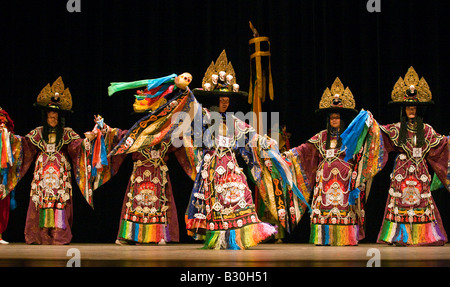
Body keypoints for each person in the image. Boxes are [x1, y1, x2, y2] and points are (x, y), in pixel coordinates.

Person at [108, 51, 307, 249]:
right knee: (218, 202)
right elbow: (189, 104)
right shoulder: (202, 117)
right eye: (221, 98)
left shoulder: (233, 121)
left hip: (230, 165)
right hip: (212, 166)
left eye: (228, 98)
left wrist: (265, 142)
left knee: (241, 196)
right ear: (213, 98)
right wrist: (184, 87)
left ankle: (242, 236)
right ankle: (220, 238)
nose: (225, 101)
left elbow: (250, 136)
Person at [341, 67, 449, 246]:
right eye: (408, 107)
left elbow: (442, 145)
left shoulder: (427, 130)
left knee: (421, 203)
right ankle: (399, 236)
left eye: (414, 107)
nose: (411, 110)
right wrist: (368, 121)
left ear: (419, 109)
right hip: (402, 171)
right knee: (400, 203)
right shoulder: (397, 129)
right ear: (404, 110)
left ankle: (424, 235)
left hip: (420, 171)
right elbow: (379, 133)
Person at [284, 78, 380, 246]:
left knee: (344, 210)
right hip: (325, 183)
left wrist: (370, 122)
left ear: (343, 119)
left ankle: (346, 237)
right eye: (332, 118)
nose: (334, 120)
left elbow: (368, 144)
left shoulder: (351, 137)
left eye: (337, 117)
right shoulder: (321, 136)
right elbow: (304, 150)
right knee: (324, 209)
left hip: (344, 183)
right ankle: (323, 237)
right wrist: (287, 155)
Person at [106, 73, 199, 245]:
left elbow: (182, 144)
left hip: (158, 173)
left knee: (159, 204)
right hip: (140, 172)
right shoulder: (138, 133)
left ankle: (160, 235)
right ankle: (129, 235)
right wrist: (104, 129)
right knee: (135, 203)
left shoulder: (167, 136)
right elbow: (120, 136)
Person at [7, 77, 100, 244]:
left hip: (60, 173)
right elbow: (23, 144)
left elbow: (78, 146)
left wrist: (90, 139)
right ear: (45, 116)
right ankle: (38, 235)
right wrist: (7, 139)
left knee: (59, 202)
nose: (53, 117)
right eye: (50, 115)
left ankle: (58, 235)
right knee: (40, 200)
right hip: (42, 172)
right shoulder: (38, 133)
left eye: (55, 115)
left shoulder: (66, 133)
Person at [0, 107, 21, 244]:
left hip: (4, 176)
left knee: (2, 203)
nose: (2, 125)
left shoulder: (11, 139)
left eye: (4, 123)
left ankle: (0, 235)